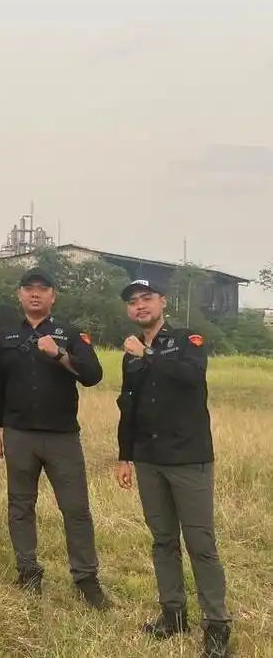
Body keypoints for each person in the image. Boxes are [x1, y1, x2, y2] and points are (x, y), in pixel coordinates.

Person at [115, 279, 231, 658]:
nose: (139, 306)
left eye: (146, 298)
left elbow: (190, 377)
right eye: (132, 302)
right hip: (149, 459)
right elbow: (128, 405)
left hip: (188, 457)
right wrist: (124, 455)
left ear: (163, 301)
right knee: (163, 540)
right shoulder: (131, 352)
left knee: (200, 543)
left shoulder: (188, 340)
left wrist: (147, 353)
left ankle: (216, 626)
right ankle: (173, 613)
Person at [0, 267, 111, 609]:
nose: (35, 294)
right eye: (29, 289)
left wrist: (59, 354)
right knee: (20, 506)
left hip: (61, 436)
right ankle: (28, 571)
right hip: (19, 433)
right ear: (20, 294)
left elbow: (93, 376)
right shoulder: (6, 336)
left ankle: (86, 578)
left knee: (76, 509)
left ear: (53, 295)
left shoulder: (70, 333)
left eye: (42, 289)